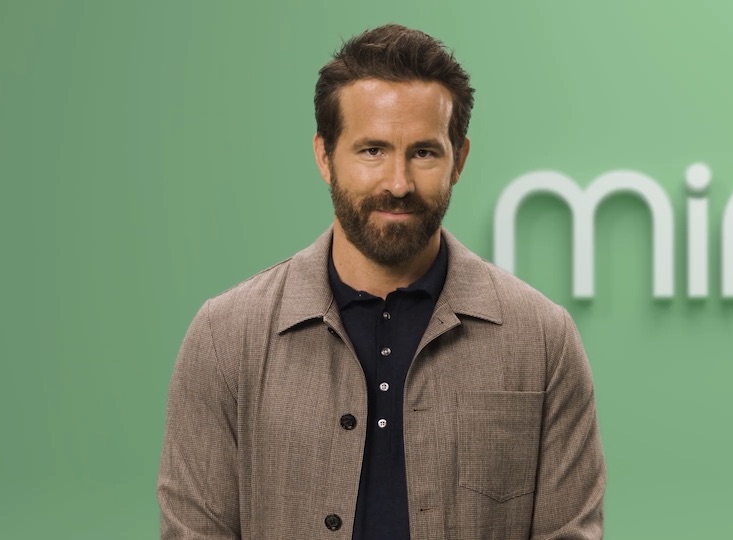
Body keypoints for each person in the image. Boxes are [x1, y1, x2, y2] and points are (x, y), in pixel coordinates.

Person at [158, 23, 605, 540]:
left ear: (458, 160)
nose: (398, 183)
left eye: (424, 152)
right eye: (372, 150)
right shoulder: (225, 338)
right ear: (325, 156)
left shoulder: (543, 340)